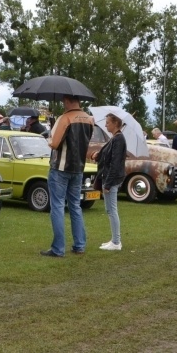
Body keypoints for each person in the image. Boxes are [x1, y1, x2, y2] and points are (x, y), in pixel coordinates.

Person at [41, 95, 93, 257]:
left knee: (57, 206)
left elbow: (55, 144)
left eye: (64, 101)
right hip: (78, 168)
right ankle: (79, 245)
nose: (63, 103)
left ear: (69, 101)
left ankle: (58, 248)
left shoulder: (65, 118)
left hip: (60, 168)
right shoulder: (89, 119)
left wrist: (48, 138)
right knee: (75, 206)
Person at [91, 113, 127, 250]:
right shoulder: (114, 138)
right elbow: (108, 156)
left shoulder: (118, 139)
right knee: (109, 209)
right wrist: (98, 155)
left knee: (112, 210)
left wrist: (108, 183)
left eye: (108, 122)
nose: (105, 125)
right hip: (109, 177)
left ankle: (116, 242)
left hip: (111, 179)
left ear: (115, 123)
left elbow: (115, 163)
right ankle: (114, 240)